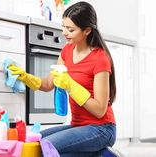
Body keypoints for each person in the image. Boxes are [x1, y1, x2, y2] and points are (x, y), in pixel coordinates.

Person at [9, 1, 119, 157]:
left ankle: (99, 151)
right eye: (63, 27)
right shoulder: (67, 51)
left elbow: (100, 110)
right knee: (31, 143)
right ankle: (99, 154)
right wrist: (25, 76)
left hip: (102, 129)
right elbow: (48, 84)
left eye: (70, 29)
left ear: (87, 30)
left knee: (43, 148)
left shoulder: (100, 58)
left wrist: (71, 86)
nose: (64, 33)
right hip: (78, 126)